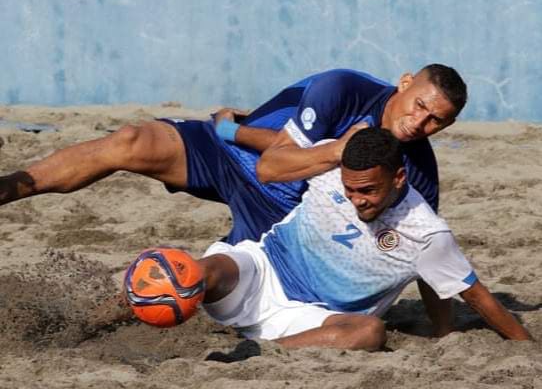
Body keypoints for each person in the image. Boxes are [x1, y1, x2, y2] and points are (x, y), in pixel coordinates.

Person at [0, 64, 466, 244]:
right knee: (129, 140)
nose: (419, 123)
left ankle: (98, 319)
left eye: (437, 122)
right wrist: (232, 133)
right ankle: (8, 188)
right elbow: (277, 157)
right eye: (420, 105)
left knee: (194, 285)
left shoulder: (416, 167)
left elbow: (423, 244)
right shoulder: (343, 88)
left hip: (280, 211)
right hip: (227, 156)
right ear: (405, 83)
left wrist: (442, 329)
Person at [168, 128, 531, 350]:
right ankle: (116, 310)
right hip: (262, 271)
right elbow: (278, 149)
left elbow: (479, 298)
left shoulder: (428, 235)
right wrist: (232, 128)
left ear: (400, 177)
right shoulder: (329, 159)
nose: (358, 200)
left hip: (315, 320)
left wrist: (524, 346)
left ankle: (258, 352)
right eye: (350, 190)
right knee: (197, 271)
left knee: (369, 334)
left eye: (368, 191)